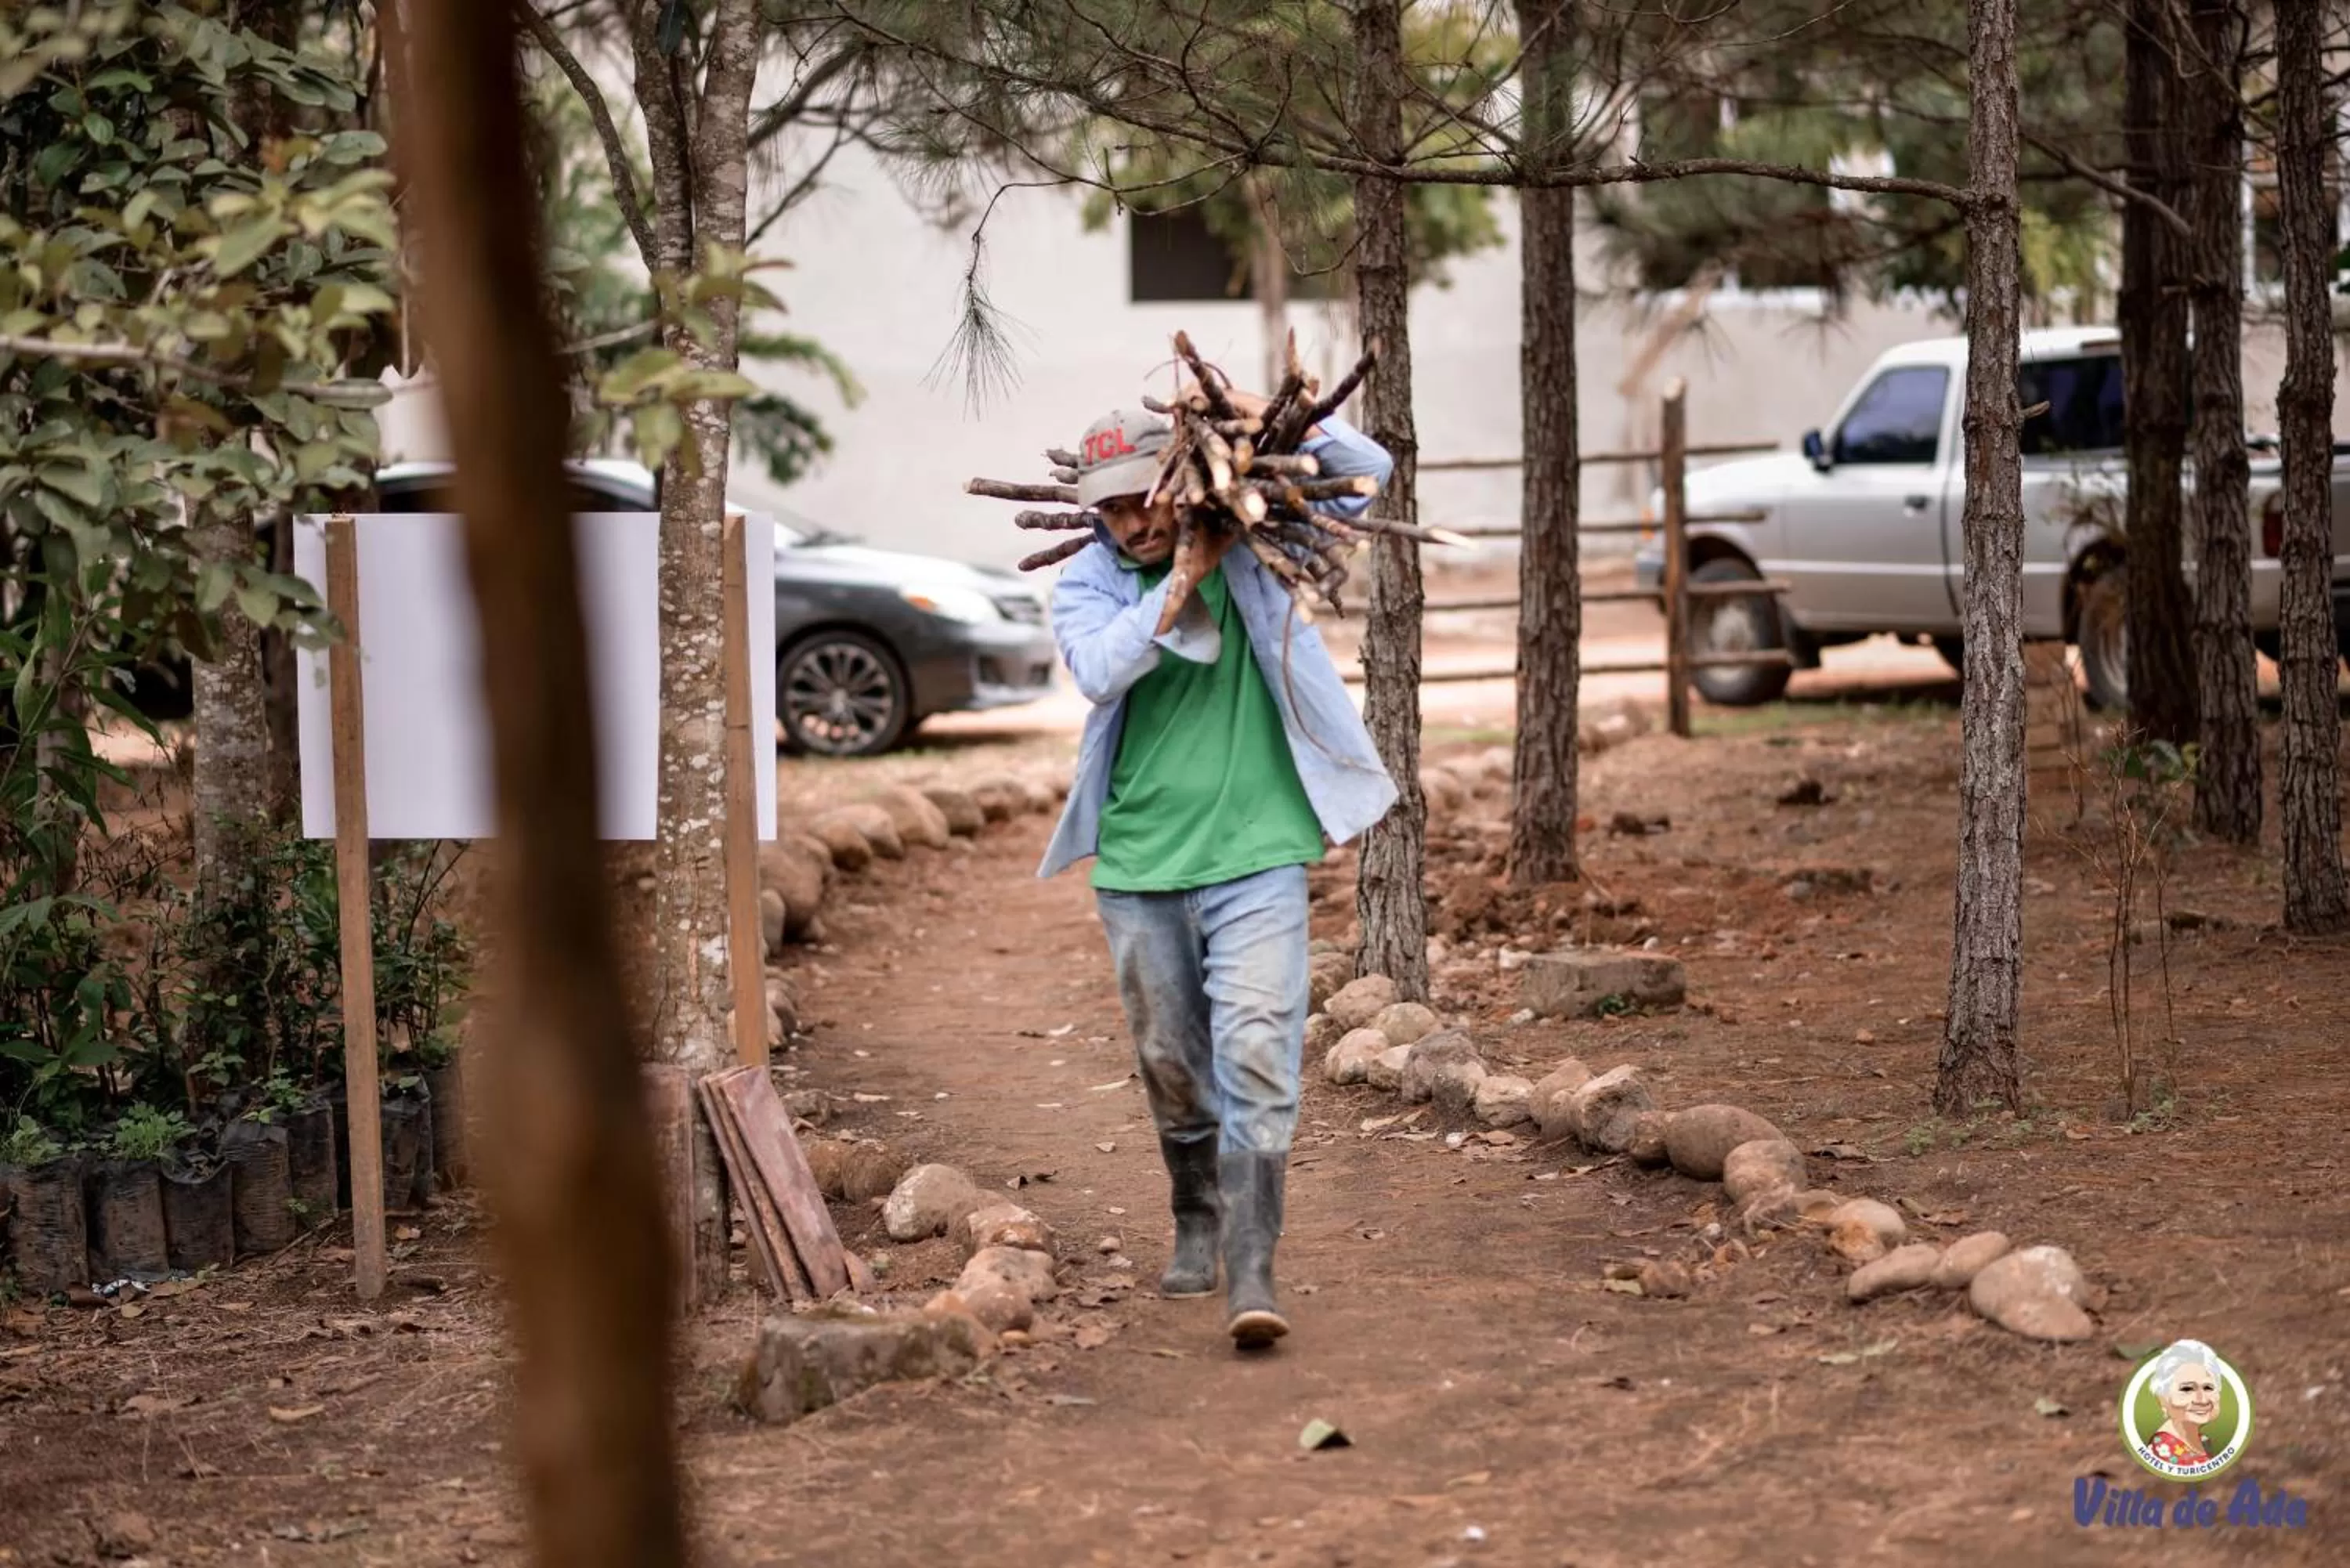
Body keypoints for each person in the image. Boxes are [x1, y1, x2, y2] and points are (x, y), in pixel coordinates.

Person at [1037, 384, 1396, 1349]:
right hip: (1142, 862)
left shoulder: (1261, 544)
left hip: (1259, 851)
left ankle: (1250, 1260)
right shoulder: (1088, 580)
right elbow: (1102, 665)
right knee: (1172, 1062)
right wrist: (1185, 575)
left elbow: (1372, 475)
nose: (1129, 521)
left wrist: (1278, 417)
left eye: (1141, 497)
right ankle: (1195, 1209)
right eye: (1108, 508)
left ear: (1178, 477)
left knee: (1258, 1049)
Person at [2144, 1339, 2229, 1466]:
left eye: (2208, 1388)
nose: (2202, 1399)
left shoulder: (2202, 1440)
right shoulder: (2164, 1449)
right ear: (2163, 1398)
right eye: (2187, 1389)